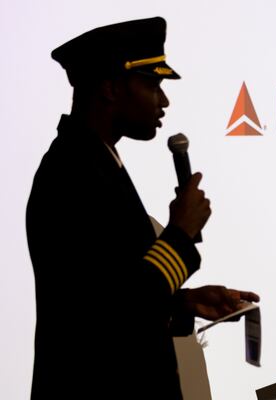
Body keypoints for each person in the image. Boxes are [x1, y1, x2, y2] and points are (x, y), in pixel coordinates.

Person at [26, 17, 259, 399]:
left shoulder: (97, 162)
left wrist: (183, 303)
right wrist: (180, 235)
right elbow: (112, 314)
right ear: (109, 88)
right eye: (152, 84)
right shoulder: (70, 174)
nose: (163, 100)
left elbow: (110, 294)